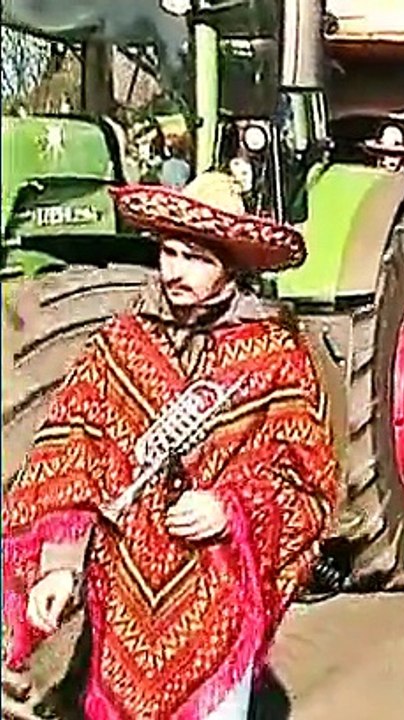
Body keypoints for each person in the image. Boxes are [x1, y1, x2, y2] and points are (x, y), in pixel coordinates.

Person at [1, 172, 341, 719]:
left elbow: (305, 484)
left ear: (230, 264)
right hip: (124, 606)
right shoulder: (120, 346)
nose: (173, 270)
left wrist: (230, 508)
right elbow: (74, 454)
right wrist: (60, 565)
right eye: (168, 251)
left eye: (195, 257)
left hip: (215, 602)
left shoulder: (274, 357)